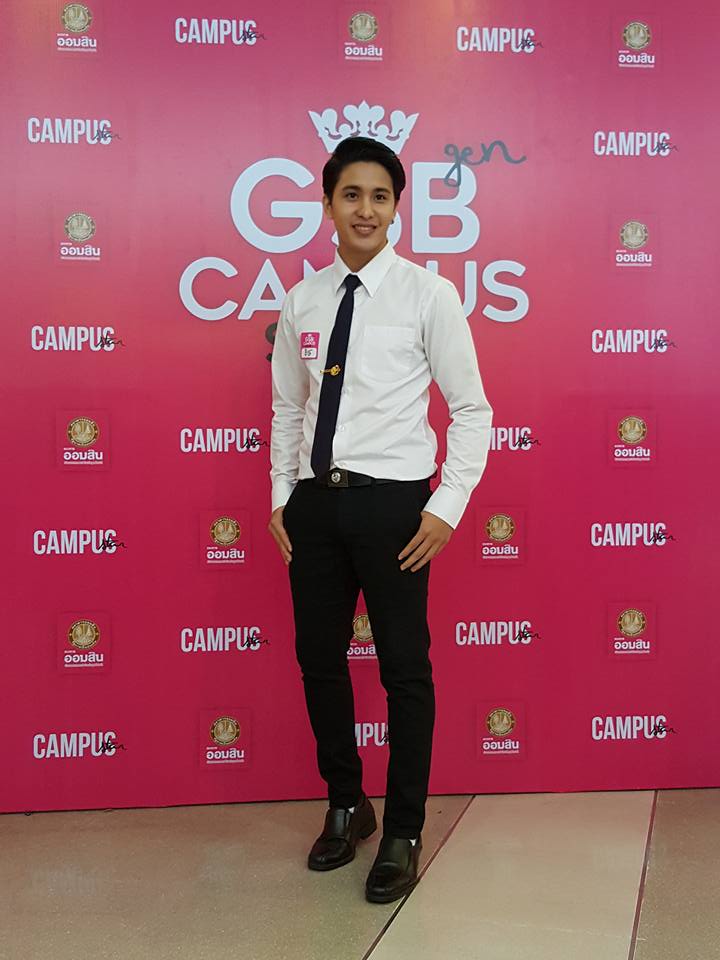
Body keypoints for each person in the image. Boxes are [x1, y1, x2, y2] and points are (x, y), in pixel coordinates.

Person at [268, 135, 492, 903]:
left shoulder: (428, 295)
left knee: (403, 668)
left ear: (397, 208)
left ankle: (402, 828)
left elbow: (472, 410)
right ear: (328, 203)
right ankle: (346, 804)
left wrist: (446, 506)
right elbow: (288, 407)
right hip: (315, 506)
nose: (365, 209)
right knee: (319, 659)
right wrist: (282, 494)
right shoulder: (302, 300)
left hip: (396, 506)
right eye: (351, 194)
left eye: (380, 196)